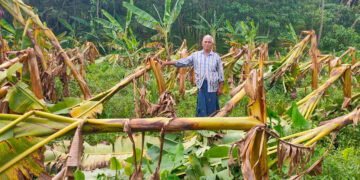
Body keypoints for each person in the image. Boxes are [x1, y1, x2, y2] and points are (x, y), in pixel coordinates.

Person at [160, 35, 224, 117]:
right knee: (202, 107)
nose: (207, 44)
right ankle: (201, 126)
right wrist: (166, 63)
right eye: (205, 42)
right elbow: (183, 62)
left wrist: (220, 88)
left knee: (212, 107)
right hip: (201, 86)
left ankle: (213, 126)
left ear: (212, 44)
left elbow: (220, 73)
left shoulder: (216, 57)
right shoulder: (196, 55)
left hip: (212, 86)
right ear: (202, 43)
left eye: (209, 42)